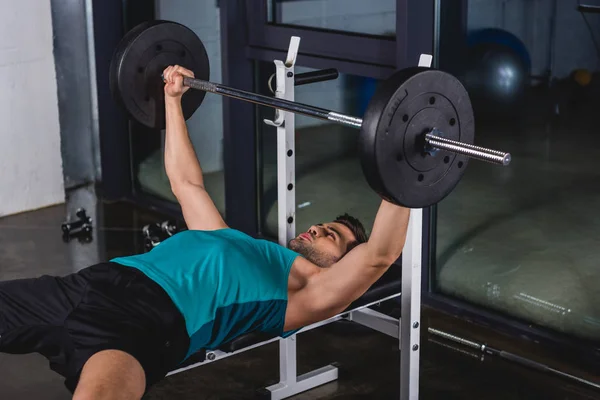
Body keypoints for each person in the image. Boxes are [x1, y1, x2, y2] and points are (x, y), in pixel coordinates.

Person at [0, 65, 411, 400]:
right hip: (89, 286)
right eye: (323, 225)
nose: (317, 227)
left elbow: (379, 254)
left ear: (342, 263)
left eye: (331, 236)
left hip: (141, 326)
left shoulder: (308, 296)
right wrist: (172, 100)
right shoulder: (230, 239)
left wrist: (406, 164)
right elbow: (186, 184)